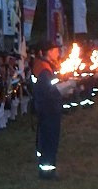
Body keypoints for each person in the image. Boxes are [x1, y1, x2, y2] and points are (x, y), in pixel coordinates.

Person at [31, 41, 75, 180]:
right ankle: (47, 172)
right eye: (56, 50)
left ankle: (46, 168)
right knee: (50, 140)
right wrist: (69, 85)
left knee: (47, 139)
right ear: (48, 52)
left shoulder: (44, 66)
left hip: (46, 107)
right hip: (48, 108)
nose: (58, 52)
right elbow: (50, 90)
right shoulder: (44, 68)